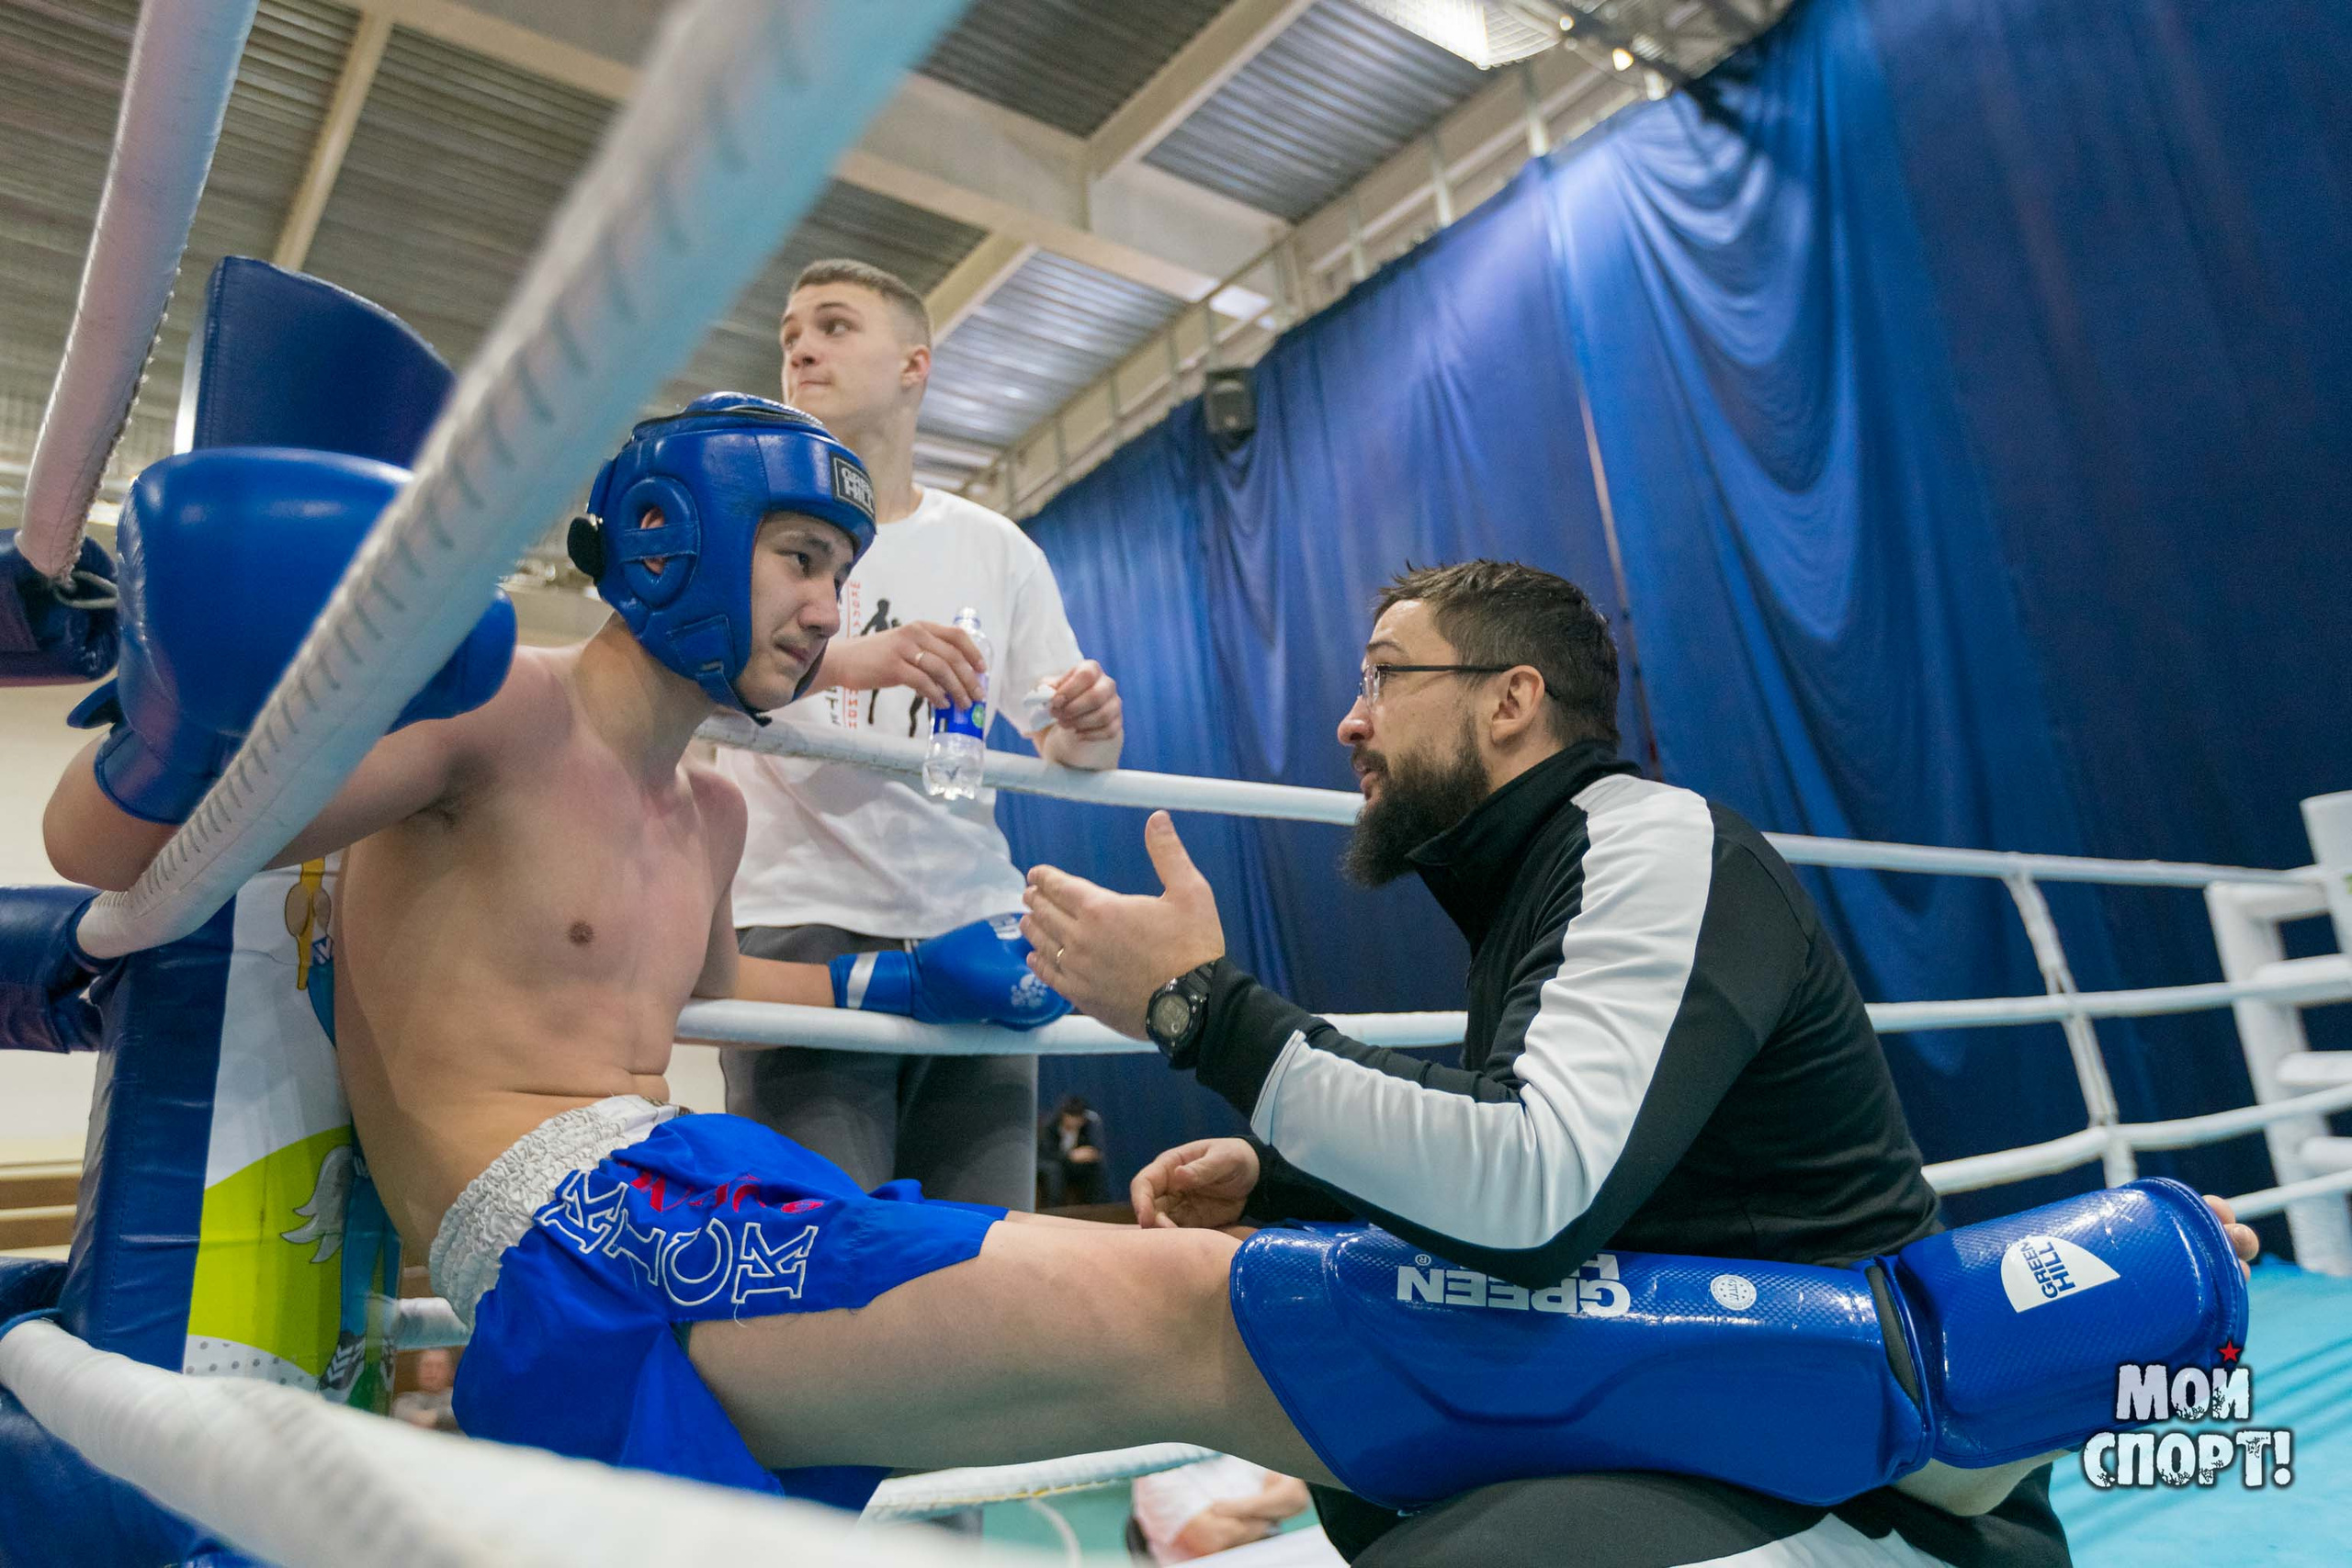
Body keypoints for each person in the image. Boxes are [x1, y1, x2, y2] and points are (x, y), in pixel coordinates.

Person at [36, 423, 2255, 1525]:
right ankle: (1939, 1373)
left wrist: (934, 975)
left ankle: (1914, 1399)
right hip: (575, 1237)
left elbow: (722, 991)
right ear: (686, 538)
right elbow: (111, 852)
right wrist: (170, 718)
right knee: (1196, 1320)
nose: (828, 601)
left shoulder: (715, 806)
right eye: (806, 553)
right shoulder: (488, 712)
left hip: (679, 1201)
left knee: (1195, 1304)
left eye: (837, 559)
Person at [1021, 559, 2264, 1567]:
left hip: (1860, 1475)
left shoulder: (1648, 840)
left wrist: (1201, 1009)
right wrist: (1291, 1182)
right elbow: (1598, 1169)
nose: (1350, 719)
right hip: (1700, 1405)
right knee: (1323, 1365)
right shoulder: (1533, 888)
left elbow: (1539, 1186)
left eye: (1386, 677)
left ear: (1510, 700)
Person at [713, 257, 1123, 1216]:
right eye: (789, 334)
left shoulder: (994, 546)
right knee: (816, 1269)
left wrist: (1089, 728)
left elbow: (1068, 748)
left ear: (914, 365)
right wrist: (857, 659)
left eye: (834, 325)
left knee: (986, 1263)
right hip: (800, 923)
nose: (801, 347)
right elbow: (689, 687)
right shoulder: (742, 527)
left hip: (970, 927)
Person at [1130, 1458, 1314, 1564]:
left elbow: (1297, 1497)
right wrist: (1271, 1510)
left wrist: (1232, 1509)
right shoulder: (1157, 1473)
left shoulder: (1237, 1450)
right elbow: (1216, 1538)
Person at [1037, 1093, 1107, 1208]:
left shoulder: (1086, 1129)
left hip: (1070, 1164)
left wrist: (1090, 1154)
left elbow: (1093, 1148)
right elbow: (1047, 1152)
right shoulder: (1049, 1127)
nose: (1077, 1121)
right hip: (1049, 1161)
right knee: (1054, 1170)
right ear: (1064, 1115)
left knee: (1094, 1167)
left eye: (1080, 1118)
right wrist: (1070, 1156)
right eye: (1073, 1116)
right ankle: (1055, 1209)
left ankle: (1096, 1206)